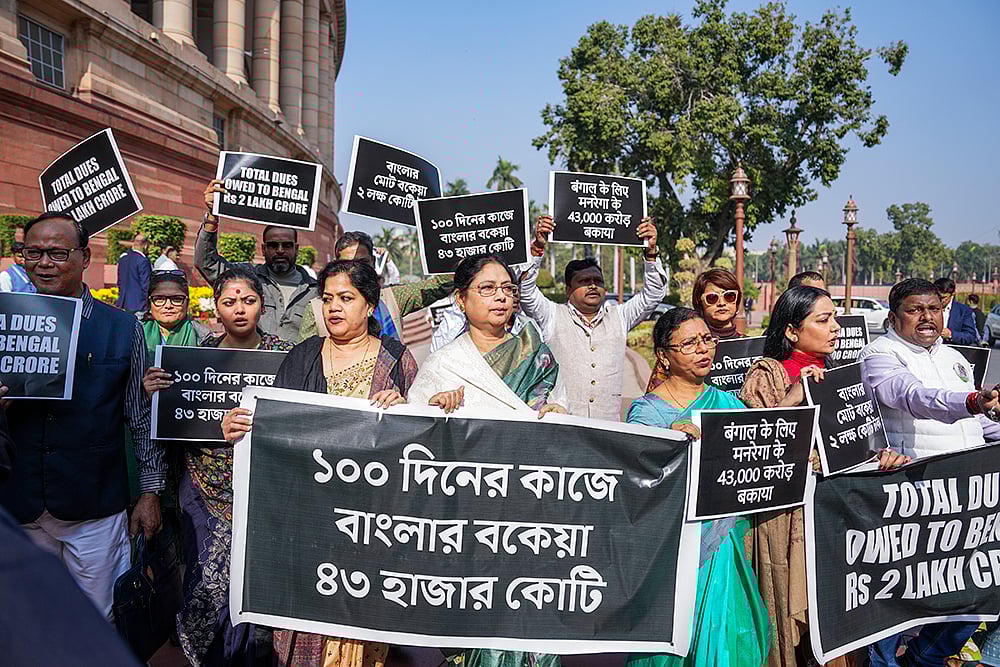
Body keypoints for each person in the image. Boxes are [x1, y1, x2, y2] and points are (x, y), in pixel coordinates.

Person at [223, 260, 416, 667]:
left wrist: (406, 410)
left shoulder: (396, 362)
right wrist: (241, 428)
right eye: (327, 298)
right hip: (307, 522)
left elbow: (422, 448)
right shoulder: (302, 357)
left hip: (370, 526)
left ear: (370, 305)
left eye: (347, 298)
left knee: (360, 633)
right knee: (301, 630)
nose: (334, 308)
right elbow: (276, 430)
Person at [0, 212, 165, 620]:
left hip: (93, 505)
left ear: (85, 256)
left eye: (57, 253)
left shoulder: (122, 328)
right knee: (27, 621)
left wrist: (149, 492)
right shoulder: (2, 323)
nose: (43, 263)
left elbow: (140, 418)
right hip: (17, 501)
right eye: (32, 252)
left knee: (100, 622)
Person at [408, 254, 566, 667]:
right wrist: (435, 409)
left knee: (533, 611)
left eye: (508, 289)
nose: (501, 297)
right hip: (472, 517)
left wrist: (556, 413)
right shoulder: (443, 364)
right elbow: (415, 448)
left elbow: (557, 408)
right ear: (461, 300)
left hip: (533, 508)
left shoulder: (537, 353)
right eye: (488, 288)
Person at [740, 286, 904, 667]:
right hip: (789, 521)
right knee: (795, 623)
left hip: (837, 519)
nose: (836, 328)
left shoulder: (841, 378)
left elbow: (857, 446)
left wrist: (883, 455)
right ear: (792, 331)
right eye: (823, 319)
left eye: (835, 318)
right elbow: (752, 449)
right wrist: (795, 395)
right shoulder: (766, 374)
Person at [143, 268, 292, 666]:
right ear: (216, 307)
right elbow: (173, 424)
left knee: (249, 586)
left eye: (248, 301)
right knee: (206, 585)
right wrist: (155, 394)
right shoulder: (196, 359)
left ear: (262, 304)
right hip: (204, 490)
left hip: (263, 490)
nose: (239, 310)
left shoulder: (288, 359)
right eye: (229, 302)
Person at [859, 277, 1000, 666]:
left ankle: (923, 658)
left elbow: (977, 423)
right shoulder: (880, 354)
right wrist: (973, 400)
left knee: (979, 590)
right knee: (898, 603)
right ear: (893, 317)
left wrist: (987, 411)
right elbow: (913, 398)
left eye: (934, 309)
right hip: (911, 498)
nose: (927, 318)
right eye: (915, 310)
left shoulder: (953, 357)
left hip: (967, 497)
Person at [626, 307, 770, 667]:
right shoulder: (645, 412)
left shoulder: (728, 402)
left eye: (707, 339)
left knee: (732, 638)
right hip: (676, 550)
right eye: (689, 344)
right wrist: (669, 439)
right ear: (664, 355)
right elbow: (639, 473)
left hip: (725, 541)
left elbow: (762, 450)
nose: (704, 349)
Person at [519, 215, 665, 420]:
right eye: (584, 281)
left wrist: (651, 253)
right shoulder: (552, 315)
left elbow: (654, 294)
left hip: (606, 426)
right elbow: (525, 291)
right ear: (569, 289)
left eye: (598, 281)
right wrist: (536, 249)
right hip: (561, 421)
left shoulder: (619, 317)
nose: (593, 285)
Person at [197, 179, 317, 340]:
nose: (280, 251)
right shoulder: (247, 278)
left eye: (286, 245)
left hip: (297, 364)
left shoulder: (314, 291)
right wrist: (212, 216)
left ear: (296, 248)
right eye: (273, 245)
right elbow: (206, 263)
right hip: (253, 362)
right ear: (263, 249)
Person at [298, 230, 455, 342]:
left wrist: (466, 258)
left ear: (373, 262)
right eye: (347, 263)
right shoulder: (316, 309)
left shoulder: (392, 297)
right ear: (335, 264)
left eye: (362, 262)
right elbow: (303, 362)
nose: (355, 270)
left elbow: (438, 286)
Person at [139, 270, 211, 361]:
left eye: (177, 299)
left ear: (187, 303)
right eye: (159, 299)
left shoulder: (203, 338)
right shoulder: (134, 335)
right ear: (149, 304)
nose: (168, 306)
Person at [933, 277, 979, 345]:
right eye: (937, 297)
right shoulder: (927, 308)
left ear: (953, 294)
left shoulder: (963, 311)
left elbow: (970, 336)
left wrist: (951, 334)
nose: (939, 300)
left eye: (943, 298)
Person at [116, 231, 151, 313]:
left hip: (123, 302)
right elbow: (146, 284)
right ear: (145, 245)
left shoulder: (123, 258)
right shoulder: (142, 260)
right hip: (139, 303)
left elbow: (120, 281)